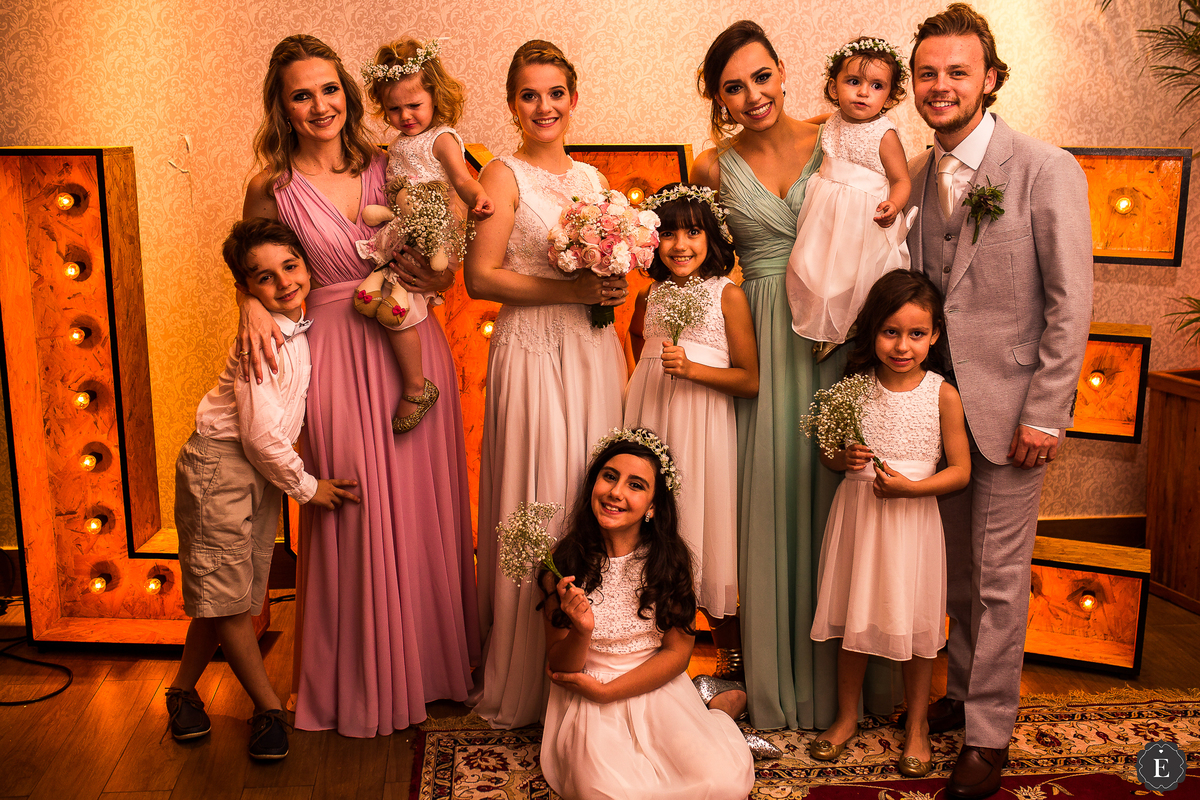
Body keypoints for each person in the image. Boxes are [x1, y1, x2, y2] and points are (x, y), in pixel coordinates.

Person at [241, 34, 480, 738]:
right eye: (302, 94)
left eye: (329, 89)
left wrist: (440, 265)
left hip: (411, 343)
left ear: (349, 91)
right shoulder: (271, 187)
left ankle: (436, 669)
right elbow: (247, 271)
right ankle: (362, 678)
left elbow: (444, 267)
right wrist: (255, 303)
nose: (320, 105)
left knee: (422, 502)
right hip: (333, 354)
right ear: (283, 108)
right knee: (354, 505)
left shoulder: (395, 163)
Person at [691, 19, 901, 731]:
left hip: (835, 336)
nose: (752, 95)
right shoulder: (710, 167)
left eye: (760, 76)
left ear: (783, 71)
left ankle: (850, 686)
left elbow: (880, 228)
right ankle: (778, 680)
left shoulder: (836, 136)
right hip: (759, 347)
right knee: (771, 497)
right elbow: (705, 266)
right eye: (733, 88)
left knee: (839, 496)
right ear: (717, 99)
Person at [904, 5, 1093, 798]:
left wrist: (1046, 411)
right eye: (927, 73)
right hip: (940, 410)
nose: (939, 85)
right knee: (954, 573)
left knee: (998, 578)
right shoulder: (916, 174)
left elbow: (1070, 300)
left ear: (989, 78)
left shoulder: (1046, 168)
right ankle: (961, 689)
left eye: (956, 71)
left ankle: (990, 736)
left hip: (1016, 412)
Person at [464, 39, 628, 729]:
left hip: (592, 351)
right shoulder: (502, 176)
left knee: (594, 492)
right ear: (511, 105)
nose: (544, 107)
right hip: (532, 354)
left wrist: (611, 286)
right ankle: (529, 676)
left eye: (555, 93)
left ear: (573, 98)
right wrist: (570, 287)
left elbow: (605, 274)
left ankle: (598, 654)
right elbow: (480, 277)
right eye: (529, 95)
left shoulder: (593, 180)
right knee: (541, 491)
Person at [165, 218, 361, 759]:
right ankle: (268, 708)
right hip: (221, 467)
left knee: (232, 597)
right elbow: (255, 435)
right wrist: (308, 487)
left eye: (290, 266)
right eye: (264, 278)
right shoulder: (263, 340)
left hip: (258, 473)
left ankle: (181, 692)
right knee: (229, 601)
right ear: (247, 289)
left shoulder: (301, 326)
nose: (283, 282)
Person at [806, 270, 970, 776]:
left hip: (912, 523)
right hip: (859, 519)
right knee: (854, 615)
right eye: (891, 332)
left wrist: (911, 489)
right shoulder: (852, 389)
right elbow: (831, 459)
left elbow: (960, 473)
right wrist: (843, 455)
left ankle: (918, 725)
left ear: (935, 334)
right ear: (872, 331)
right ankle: (845, 716)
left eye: (916, 334)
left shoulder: (942, 394)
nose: (903, 345)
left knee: (918, 627)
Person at [538, 429, 757, 800]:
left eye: (635, 485)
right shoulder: (563, 564)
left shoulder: (669, 563)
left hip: (655, 685)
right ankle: (713, 703)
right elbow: (560, 668)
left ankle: (719, 710)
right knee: (609, 793)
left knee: (722, 784)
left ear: (653, 506)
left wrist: (613, 693)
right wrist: (581, 632)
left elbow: (676, 653)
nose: (616, 492)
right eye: (609, 476)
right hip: (588, 693)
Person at [625, 183, 757, 626]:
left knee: (700, 522)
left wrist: (693, 370)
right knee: (653, 522)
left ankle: (728, 656)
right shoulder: (651, 296)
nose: (680, 245)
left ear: (712, 239)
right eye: (668, 233)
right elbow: (637, 337)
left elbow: (750, 380)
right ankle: (654, 638)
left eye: (693, 233)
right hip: (652, 418)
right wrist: (642, 382)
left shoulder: (727, 295)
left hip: (703, 427)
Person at [354, 37, 495, 432]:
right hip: (408, 225)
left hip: (434, 235)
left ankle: (417, 386)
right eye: (395, 108)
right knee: (392, 278)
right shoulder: (398, 144)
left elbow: (461, 178)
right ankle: (382, 290)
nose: (406, 116)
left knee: (401, 310)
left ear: (435, 95)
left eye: (414, 105)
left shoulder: (442, 138)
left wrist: (479, 196)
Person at [784, 36, 912, 358]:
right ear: (833, 87)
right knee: (815, 269)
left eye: (877, 85)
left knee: (855, 276)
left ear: (891, 95)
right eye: (853, 81)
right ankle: (827, 326)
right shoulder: (830, 121)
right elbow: (795, 128)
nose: (863, 92)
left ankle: (852, 323)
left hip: (861, 220)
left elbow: (901, 180)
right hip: (824, 216)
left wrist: (894, 205)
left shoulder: (884, 134)